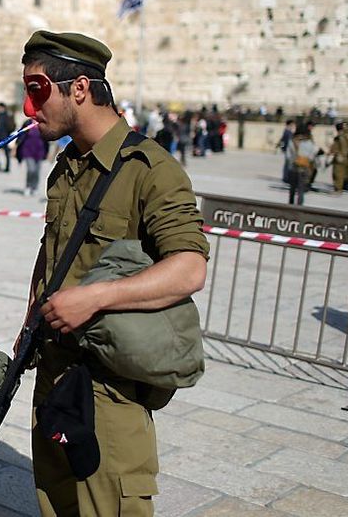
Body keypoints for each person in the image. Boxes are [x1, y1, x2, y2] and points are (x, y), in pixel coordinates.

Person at [19, 31, 208, 516]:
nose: (27, 106)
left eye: (38, 89)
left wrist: (95, 298)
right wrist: (29, 320)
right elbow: (53, 251)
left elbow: (189, 268)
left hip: (110, 385)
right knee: (56, 503)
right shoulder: (68, 166)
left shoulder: (152, 169)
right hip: (56, 374)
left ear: (78, 88)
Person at [16, 117, 48, 196]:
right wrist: (16, 146)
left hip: (39, 151)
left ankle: (34, 187)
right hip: (28, 150)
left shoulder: (42, 122)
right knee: (31, 169)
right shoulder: (28, 123)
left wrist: (48, 152)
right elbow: (21, 134)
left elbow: (47, 138)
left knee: (37, 171)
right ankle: (28, 186)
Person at [286, 125, 317, 205]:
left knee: (292, 189)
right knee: (301, 189)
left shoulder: (292, 141)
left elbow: (288, 156)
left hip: (294, 168)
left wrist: (293, 161)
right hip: (304, 168)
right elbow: (312, 156)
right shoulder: (309, 142)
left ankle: (290, 204)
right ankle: (299, 206)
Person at [329, 121, 348, 193]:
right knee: (337, 173)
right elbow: (335, 145)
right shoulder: (339, 137)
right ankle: (338, 187)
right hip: (340, 157)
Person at [0, 102, 16, 172]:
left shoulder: (7, 115)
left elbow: (10, 127)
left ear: (3, 108)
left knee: (6, 153)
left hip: (4, 137)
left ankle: (7, 167)